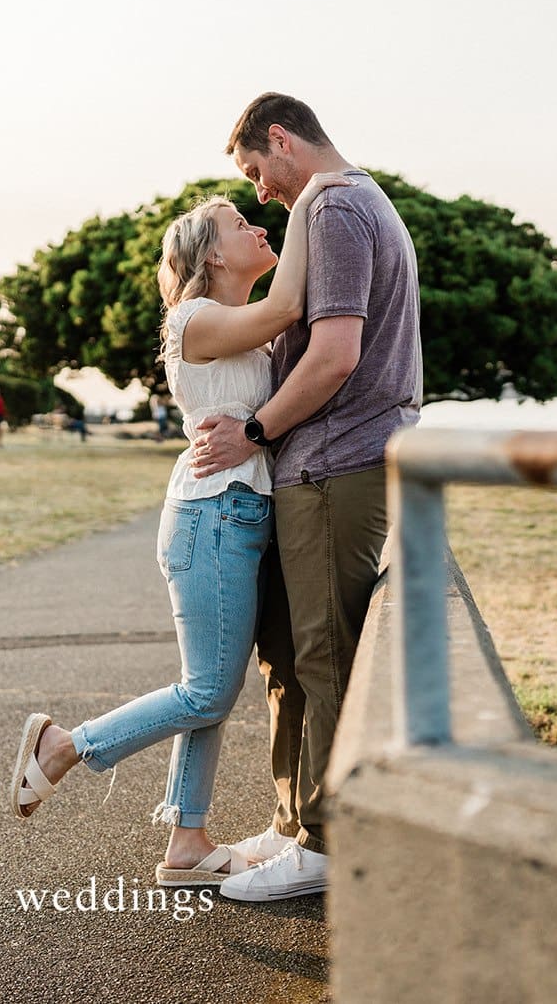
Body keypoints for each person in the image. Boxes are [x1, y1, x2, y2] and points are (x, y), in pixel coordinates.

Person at [6, 170, 347, 889]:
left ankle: (187, 841)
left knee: (212, 685)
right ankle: (65, 746)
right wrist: (316, 194)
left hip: (240, 516)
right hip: (212, 516)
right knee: (206, 691)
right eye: (240, 224)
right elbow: (291, 301)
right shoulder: (194, 319)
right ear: (213, 256)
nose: (259, 227)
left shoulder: (238, 326)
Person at [189, 93, 423, 902]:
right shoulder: (341, 204)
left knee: (323, 653)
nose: (258, 189)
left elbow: (332, 355)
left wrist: (254, 430)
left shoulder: (335, 208)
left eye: (256, 168)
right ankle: (294, 820)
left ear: (281, 141)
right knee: (290, 656)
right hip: (321, 467)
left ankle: (324, 842)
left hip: (334, 465)